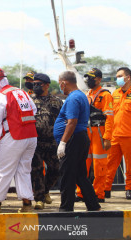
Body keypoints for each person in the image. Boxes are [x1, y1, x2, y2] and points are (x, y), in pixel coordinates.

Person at [0, 67, 38, 213]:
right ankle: (27, 204)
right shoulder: (21, 91)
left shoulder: (0, 95)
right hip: (31, 136)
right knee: (24, 170)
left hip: (14, 136)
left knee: (3, 170)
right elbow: (34, 110)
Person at [54, 70, 101, 212]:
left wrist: (63, 143)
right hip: (79, 137)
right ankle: (93, 206)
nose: (60, 86)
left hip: (73, 139)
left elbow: (71, 122)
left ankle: (66, 208)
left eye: (59, 83)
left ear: (63, 83)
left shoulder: (74, 98)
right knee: (80, 175)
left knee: (67, 174)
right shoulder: (80, 95)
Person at [75, 68, 113, 203]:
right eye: (87, 77)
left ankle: (99, 193)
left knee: (100, 165)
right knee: (83, 163)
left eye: (92, 77)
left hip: (99, 132)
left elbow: (109, 117)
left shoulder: (105, 95)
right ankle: (81, 193)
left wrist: (107, 137)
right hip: (87, 131)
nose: (88, 80)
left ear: (99, 79)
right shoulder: (87, 94)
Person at [30, 73, 63, 210]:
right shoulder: (29, 100)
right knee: (36, 171)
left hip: (52, 142)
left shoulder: (56, 101)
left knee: (56, 169)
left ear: (47, 85)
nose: (36, 86)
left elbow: (63, 120)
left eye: (40, 84)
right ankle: (39, 199)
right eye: (35, 84)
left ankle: (45, 190)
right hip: (35, 142)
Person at [105, 67, 131, 200]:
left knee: (130, 165)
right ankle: (106, 189)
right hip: (114, 135)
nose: (118, 79)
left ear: (128, 77)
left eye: (120, 76)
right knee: (109, 163)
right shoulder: (114, 93)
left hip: (129, 136)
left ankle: (129, 189)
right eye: (117, 76)